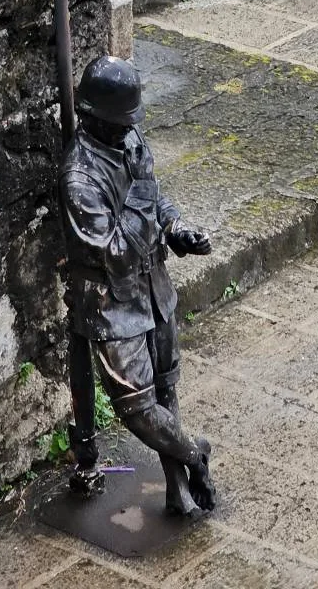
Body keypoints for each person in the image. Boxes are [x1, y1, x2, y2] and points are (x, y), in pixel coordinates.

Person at [60, 55, 216, 518]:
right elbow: (113, 253)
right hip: (111, 302)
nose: (130, 130)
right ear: (94, 118)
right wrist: (144, 198)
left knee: (167, 385)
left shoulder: (127, 139)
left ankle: (175, 488)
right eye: (120, 122)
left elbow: (155, 197)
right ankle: (194, 454)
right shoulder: (80, 176)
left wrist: (176, 228)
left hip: (153, 284)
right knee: (138, 408)